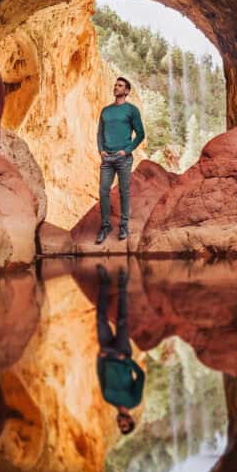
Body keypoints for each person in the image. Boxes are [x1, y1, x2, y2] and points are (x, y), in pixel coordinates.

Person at [95, 264, 144, 435]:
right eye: (124, 425)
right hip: (122, 353)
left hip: (107, 352)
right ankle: (123, 284)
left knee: (100, 318)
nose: (120, 423)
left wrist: (100, 358)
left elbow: (100, 375)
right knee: (122, 320)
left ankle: (105, 281)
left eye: (120, 426)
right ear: (130, 420)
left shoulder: (108, 398)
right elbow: (141, 376)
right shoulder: (134, 400)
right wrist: (127, 360)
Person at [96, 76, 145, 244]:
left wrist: (127, 150)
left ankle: (124, 225)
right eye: (115, 85)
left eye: (120, 86)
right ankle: (105, 226)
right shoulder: (105, 111)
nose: (116, 87)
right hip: (107, 158)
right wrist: (101, 150)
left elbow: (140, 134)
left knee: (124, 191)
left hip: (123, 158)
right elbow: (99, 133)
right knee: (103, 191)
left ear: (127, 91)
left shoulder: (132, 110)